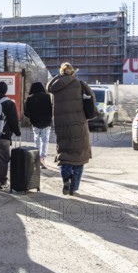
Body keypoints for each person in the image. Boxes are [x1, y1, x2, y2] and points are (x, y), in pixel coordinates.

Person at [47, 62, 94, 196]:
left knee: (65, 154)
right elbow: (91, 102)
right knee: (79, 157)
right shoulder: (79, 84)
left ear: (61, 73)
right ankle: (73, 187)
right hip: (79, 124)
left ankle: (66, 178)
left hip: (61, 125)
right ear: (73, 72)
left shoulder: (54, 87)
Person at [24, 82, 53, 169]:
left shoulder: (29, 98)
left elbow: (26, 112)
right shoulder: (48, 97)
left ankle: (36, 158)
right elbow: (52, 109)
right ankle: (42, 158)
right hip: (46, 122)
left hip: (35, 122)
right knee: (45, 140)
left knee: (37, 139)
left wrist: (32, 116)